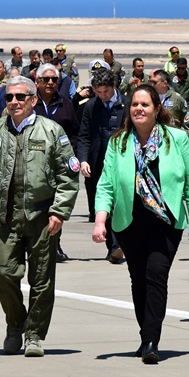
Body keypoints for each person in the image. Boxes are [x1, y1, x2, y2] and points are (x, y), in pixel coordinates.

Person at [92, 84, 189, 363]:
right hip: (129, 222)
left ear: (157, 109)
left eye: (145, 104)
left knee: (156, 275)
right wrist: (100, 221)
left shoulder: (176, 138)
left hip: (165, 221)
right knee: (138, 280)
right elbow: (105, 184)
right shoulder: (118, 142)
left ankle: (152, 340)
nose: (139, 109)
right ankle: (146, 334)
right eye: (134, 105)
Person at [0, 76, 80, 357]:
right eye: (9, 98)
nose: (14, 102)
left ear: (32, 99)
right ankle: (16, 323)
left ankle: (34, 335)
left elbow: (68, 176)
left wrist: (59, 212)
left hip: (43, 217)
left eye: (20, 97)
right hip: (7, 217)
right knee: (3, 273)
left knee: (41, 280)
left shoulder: (52, 131)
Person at [78, 68, 128, 259]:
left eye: (105, 92)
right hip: (98, 162)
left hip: (123, 162)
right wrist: (83, 160)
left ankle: (123, 243)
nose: (102, 96)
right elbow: (84, 136)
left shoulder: (128, 104)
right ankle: (113, 247)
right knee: (105, 205)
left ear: (113, 86)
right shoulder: (91, 106)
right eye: (98, 93)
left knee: (122, 204)